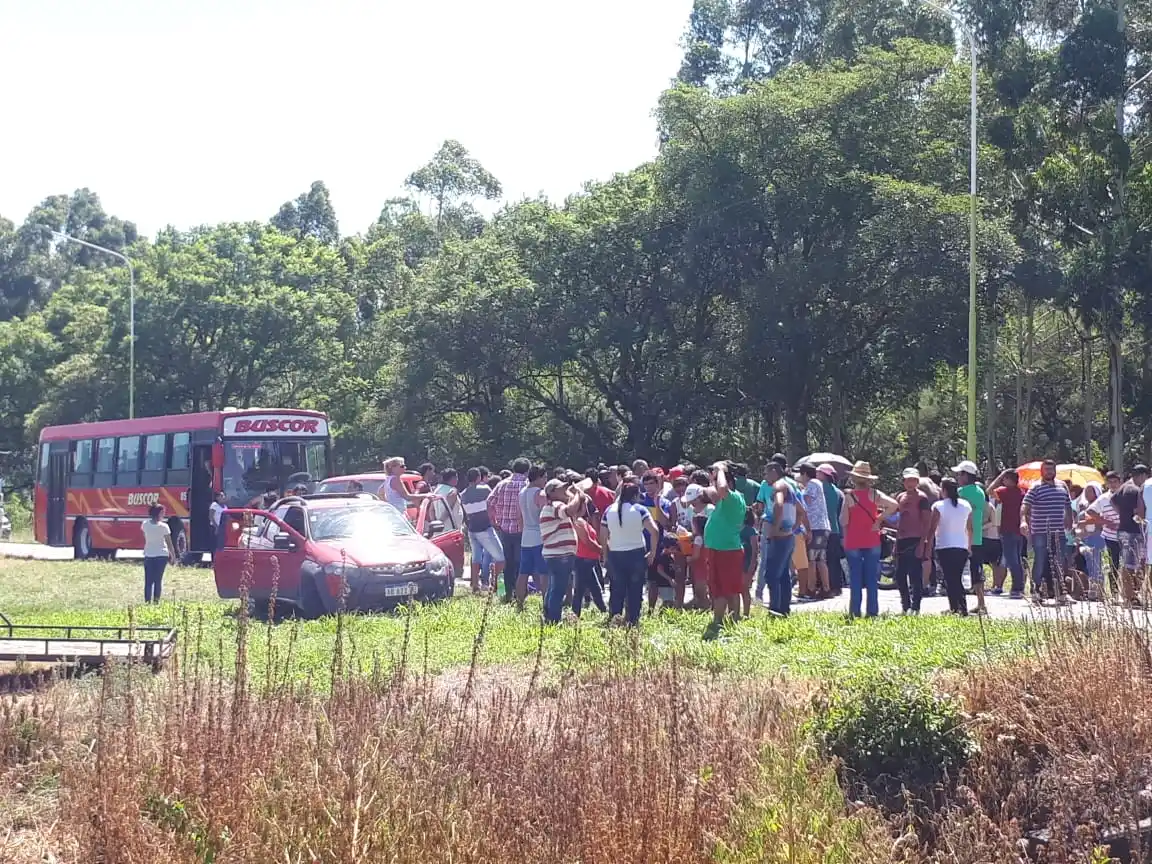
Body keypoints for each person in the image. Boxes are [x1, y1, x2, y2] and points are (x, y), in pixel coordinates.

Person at [841, 461, 898, 619]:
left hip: (853, 541)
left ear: (854, 478)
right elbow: (894, 504)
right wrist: (879, 520)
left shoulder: (849, 497)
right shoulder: (874, 495)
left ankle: (855, 612)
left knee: (856, 578)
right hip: (872, 540)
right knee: (872, 577)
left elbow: (844, 521)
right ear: (869, 479)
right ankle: (872, 612)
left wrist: (845, 538)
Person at [602, 481, 658, 626]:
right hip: (636, 555)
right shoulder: (640, 510)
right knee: (635, 589)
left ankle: (615, 618)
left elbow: (602, 535)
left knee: (616, 589)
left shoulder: (609, 510)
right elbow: (654, 531)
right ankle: (633, 621)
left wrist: (605, 554)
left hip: (615, 554)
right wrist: (652, 552)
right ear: (635, 495)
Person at [702, 462, 748, 640]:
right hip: (717, 550)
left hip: (728, 551)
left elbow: (721, 489)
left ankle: (734, 620)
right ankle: (718, 620)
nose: (714, 485)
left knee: (731, 589)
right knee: (718, 589)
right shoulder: (723, 501)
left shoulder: (734, 498)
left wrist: (721, 469)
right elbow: (712, 491)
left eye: (717, 481)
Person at [1021, 459, 1075, 606]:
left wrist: (1070, 520)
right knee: (1040, 560)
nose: (1049, 472)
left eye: (1051, 469)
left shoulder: (1062, 485)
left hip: (1059, 531)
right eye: (1046, 469)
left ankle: (1061, 593)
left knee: (1060, 561)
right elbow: (1025, 506)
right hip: (1040, 531)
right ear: (1042, 471)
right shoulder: (1036, 487)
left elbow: (1068, 505)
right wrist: (1023, 521)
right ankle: (1035, 591)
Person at [756, 461, 801, 616]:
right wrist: (795, 526)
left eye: (766, 473)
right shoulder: (790, 487)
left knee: (771, 574)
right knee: (783, 575)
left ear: (774, 471)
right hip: (789, 536)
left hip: (779, 537)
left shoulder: (778, 487)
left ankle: (774, 608)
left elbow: (779, 505)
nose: (765, 477)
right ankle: (784, 608)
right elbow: (801, 510)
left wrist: (774, 529)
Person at [928, 478, 974, 615]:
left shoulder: (938, 506)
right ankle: (961, 607)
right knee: (957, 578)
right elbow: (970, 528)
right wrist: (969, 546)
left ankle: (956, 607)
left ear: (944, 490)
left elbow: (932, 529)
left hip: (944, 546)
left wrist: (928, 545)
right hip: (962, 546)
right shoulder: (966, 505)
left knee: (949, 578)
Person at [487, 458, 530, 603]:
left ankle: (506, 593)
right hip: (521, 529)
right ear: (527, 470)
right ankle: (520, 594)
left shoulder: (502, 484)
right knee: (520, 564)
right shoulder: (526, 485)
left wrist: (494, 521)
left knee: (507, 563)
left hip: (503, 529)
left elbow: (489, 501)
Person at [539, 478, 581, 624]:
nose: (565, 490)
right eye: (561, 488)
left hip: (555, 554)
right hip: (560, 554)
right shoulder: (555, 505)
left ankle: (548, 615)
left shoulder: (552, 506)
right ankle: (554, 619)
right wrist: (578, 495)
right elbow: (570, 510)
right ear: (552, 492)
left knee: (553, 587)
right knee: (558, 589)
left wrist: (573, 496)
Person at [894, 468, 931, 614]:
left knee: (915, 574)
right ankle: (905, 605)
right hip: (902, 539)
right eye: (907, 480)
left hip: (916, 539)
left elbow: (926, 522)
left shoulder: (922, 498)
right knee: (900, 575)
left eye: (913, 480)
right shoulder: (900, 497)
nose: (910, 483)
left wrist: (923, 543)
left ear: (917, 482)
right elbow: (897, 519)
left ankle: (916, 607)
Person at [461, 467, 503, 594]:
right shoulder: (485, 489)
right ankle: (499, 587)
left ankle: (475, 586)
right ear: (479, 477)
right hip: (485, 528)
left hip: (472, 529)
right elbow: (492, 505)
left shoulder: (462, 494)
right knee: (500, 557)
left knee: (476, 558)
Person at [953, 461, 988, 615]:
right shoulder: (980, 491)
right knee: (976, 570)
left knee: (956, 571)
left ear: (966, 476)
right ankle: (981, 603)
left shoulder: (961, 492)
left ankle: (957, 605)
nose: (957, 477)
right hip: (977, 536)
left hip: (963, 536)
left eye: (959, 474)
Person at [1111, 464, 1147, 604]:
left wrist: (1122, 515)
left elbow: (1112, 501)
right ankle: (1129, 596)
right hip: (1132, 530)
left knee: (1128, 563)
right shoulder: (1137, 490)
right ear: (1142, 475)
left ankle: (1127, 593)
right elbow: (1139, 509)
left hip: (1123, 529)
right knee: (1130, 564)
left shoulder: (1123, 487)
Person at [988, 468, 1025, 598]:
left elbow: (989, 490)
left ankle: (1017, 588)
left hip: (1008, 529)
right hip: (1019, 530)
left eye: (1005, 479)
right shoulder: (1022, 492)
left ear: (1009, 479)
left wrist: (1000, 476)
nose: (1003, 481)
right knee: (1018, 559)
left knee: (1012, 560)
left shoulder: (1005, 491)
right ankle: (1020, 586)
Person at [517, 465, 549, 609]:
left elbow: (519, 517)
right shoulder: (540, 494)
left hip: (526, 537)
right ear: (539, 477)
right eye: (545, 477)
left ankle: (519, 603)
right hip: (539, 536)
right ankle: (546, 602)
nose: (546, 481)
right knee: (544, 572)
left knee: (523, 573)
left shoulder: (522, 492)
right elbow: (544, 516)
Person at [797, 463, 831, 598]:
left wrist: (800, 490)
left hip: (816, 527)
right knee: (820, 559)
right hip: (822, 527)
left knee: (812, 560)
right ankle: (826, 588)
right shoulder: (817, 483)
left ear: (805, 474)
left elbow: (806, 501)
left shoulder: (812, 484)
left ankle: (810, 588)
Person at [573, 496, 607, 617]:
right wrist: (602, 550)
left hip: (588, 559)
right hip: (583, 559)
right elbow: (587, 541)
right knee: (580, 590)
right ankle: (575, 615)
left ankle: (604, 611)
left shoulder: (581, 521)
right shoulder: (577, 522)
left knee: (595, 588)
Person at [1075, 481, 1106, 599]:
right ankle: (1089, 588)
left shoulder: (1099, 508)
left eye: (1090, 491)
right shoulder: (1083, 510)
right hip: (1085, 539)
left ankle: (1098, 590)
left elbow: (1101, 524)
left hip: (1097, 538)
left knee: (1096, 564)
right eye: (1086, 491)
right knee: (1088, 564)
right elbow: (1078, 525)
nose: (1087, 494)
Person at [141, 504, 177, 604]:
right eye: (163, 512)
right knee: (158, 580)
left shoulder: (145, 524)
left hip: (149, 554)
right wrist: (173, 556)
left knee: (148, 581)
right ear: (159, 513)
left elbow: (146, 537)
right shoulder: (164, 527)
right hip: (162, 555)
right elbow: (169, 543)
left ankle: (147, 602)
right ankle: (156, 602)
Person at [818, 464, 845, 596]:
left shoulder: (820, 489)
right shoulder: (838, 492)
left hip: (822, 528)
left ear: (824, 475)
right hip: (835, 529)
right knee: (834, 560)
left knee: (822, 559)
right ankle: (836, 587)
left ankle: (825, 587)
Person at [740, 509, 759, 617]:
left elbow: (755, 549)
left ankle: (746, 613)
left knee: (744, 588)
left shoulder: (750, 531)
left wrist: (752, 564)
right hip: (737, 563)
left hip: (748, 562)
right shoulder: (735, 529)